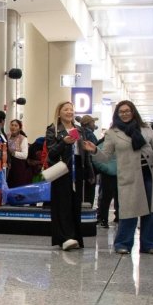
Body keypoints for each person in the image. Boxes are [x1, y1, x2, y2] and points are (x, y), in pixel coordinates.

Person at [91, 101, 153, 254]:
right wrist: (94, 151)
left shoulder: (146, 128)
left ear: (133, 112)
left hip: (150, 173)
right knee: (129, 209)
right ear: (117, 114)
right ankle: (123, 243)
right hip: (130, 175)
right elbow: (105, 156)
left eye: (128, 111)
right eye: (121, 111)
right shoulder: (112, 133)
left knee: (152, 210)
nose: (125, 114)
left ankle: (149, 244)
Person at [46, 101, 96, 251]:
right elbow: (51, 152)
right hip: (62, 170)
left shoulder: (80, 130)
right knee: (62, 204)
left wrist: (89, 170)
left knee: (75, 204)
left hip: (78, 169)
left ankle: (75, 237)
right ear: (59, 112)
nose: (69, 112)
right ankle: (64, 237)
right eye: (66, 109)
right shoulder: (53, 130)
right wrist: (64, 142)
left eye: (71, 110)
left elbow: (84, 153)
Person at [6, 119, 33, 188]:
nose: (13, 127)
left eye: (16, 125)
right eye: (12, 125)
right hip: (7, 165)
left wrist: (12, 153)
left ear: (20, 128)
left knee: (16, 187)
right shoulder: (7, 136)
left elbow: (24, 155)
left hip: (18, 167)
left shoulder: (23, 138)